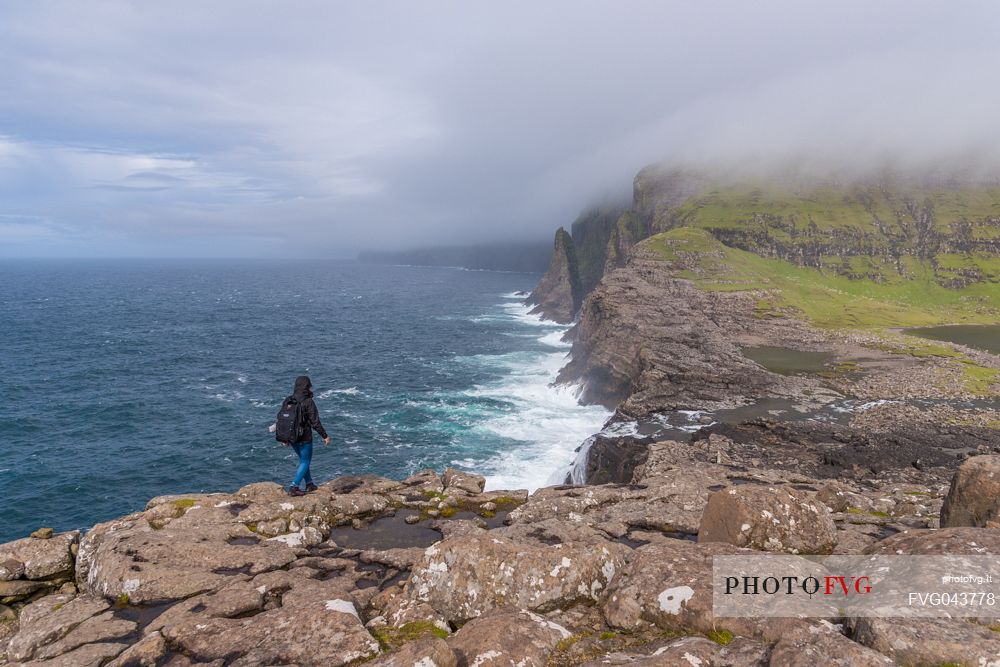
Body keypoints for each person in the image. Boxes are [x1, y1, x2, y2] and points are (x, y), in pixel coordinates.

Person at [280, 375, 330, 496]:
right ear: (307, 387)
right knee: (306, 461)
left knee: (303, 461)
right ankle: (294, 486)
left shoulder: (288, 400)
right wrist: (325, 436)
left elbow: (283, 420)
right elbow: (315, 422)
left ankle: (309, 484)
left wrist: (284, 438)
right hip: (304, 437)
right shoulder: (308, 401)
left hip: (291, 437)